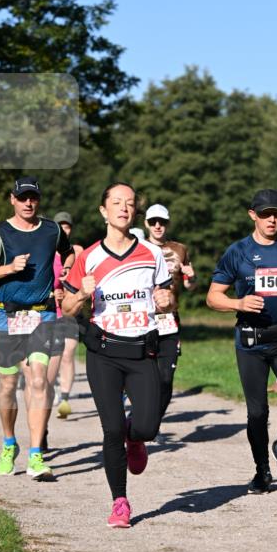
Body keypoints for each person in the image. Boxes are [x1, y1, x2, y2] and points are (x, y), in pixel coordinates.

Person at [61, 183, 174, 529]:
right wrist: (81, 293)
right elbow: (66, 309)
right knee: (111, 429)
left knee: (148, 425)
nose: (124, 208)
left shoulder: (152, 255)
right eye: (116, 203)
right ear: (103, 210)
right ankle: (120, 502)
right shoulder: (89, 257)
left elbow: (167, 295)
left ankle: (136, 436)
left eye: (129, 203)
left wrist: (166, 300)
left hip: (142, 351)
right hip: (104, 352)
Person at [206, 188, 277, 491]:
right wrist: (238, 304)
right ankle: (262, 470)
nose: (272, 219)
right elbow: (212, 296)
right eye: (266, 214)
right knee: (257, 412)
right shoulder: (237, 252)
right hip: (251, 342)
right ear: (252, 215)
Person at [0, 177, 74, 480]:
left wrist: (66, 269)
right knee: (7, 385)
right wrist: (9, 268)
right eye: (23, 197)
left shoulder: (51, 230)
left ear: (38, 201)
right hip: (7, 316)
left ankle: (36, 454)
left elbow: (68, 252)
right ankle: (8, 443)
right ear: (12, 200)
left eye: (33, 198)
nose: (29, 203)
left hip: (42, 315)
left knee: (40, 381)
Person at [143, 202, 196, 421]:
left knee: (166, 377)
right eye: (153, 222)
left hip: (169, 320)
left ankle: (153, 421)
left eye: (162, 222)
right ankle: (140, 416)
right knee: (144, 376)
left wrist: (191, 277)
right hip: (142, 320)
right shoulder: (137, 247)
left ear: (167, 224)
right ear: (146, 223)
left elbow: (189, 286)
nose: (158, 226)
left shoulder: (180, 249)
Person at [50, 211, 84, 421]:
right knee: (52, 356)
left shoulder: (78, 252)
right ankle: (49, 388)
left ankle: (64, 399)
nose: (64, 229)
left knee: (68, 352)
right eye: (60, 226)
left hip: (70, 310)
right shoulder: (45, 252)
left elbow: (86, 277)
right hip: (49, 310)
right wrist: (53, 293)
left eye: (67, 226)